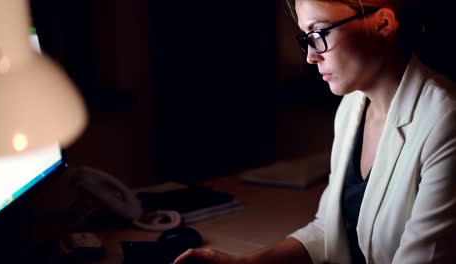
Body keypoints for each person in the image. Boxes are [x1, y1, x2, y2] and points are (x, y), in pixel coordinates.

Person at [174, 0, 456, 263]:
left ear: (383, 24)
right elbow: (329, 230)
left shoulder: (445, 121)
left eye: (319, 33)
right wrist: (244, 263)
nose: (310, 56)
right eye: (306, 39)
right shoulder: (352, 106)